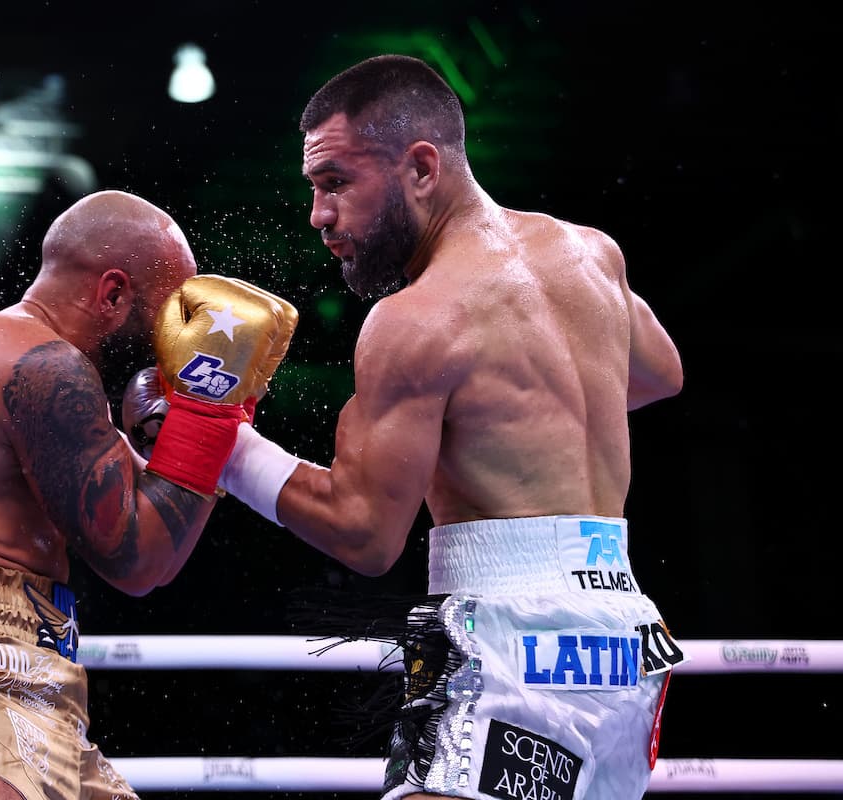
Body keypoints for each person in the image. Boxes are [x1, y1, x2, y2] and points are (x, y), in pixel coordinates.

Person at [214, 55, 686, 800]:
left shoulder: (414, 320)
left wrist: (225, 449)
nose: (319, 215)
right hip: (624, 636)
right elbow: (661, 375)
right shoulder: (593, 254)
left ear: (422, 167)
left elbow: (363, 533)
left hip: (506, 633)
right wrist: (521, 405)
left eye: (336, 181)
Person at [0, 189, 297, 800]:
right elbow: (137, 559)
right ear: (112, 294)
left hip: (33, 678)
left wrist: (190, 431)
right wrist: (205, 415)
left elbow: (157, 548)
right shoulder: (38, 365)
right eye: (172, 311)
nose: (179, 340)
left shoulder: (36, 367)